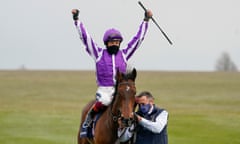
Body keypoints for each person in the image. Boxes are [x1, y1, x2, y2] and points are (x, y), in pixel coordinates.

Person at [71, 9, 153, 137]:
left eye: (117, 42)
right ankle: (87, 124)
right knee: (104, 100)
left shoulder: (124, 55)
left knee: (131, 102)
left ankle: (134, 130)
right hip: (105, 89)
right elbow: (86, 38)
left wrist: (146, 21)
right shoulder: (98, 54)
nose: (114, 44)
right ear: (106, 43)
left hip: (121, 89)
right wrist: (77, 20)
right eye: (112, 42)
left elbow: (138, 41)